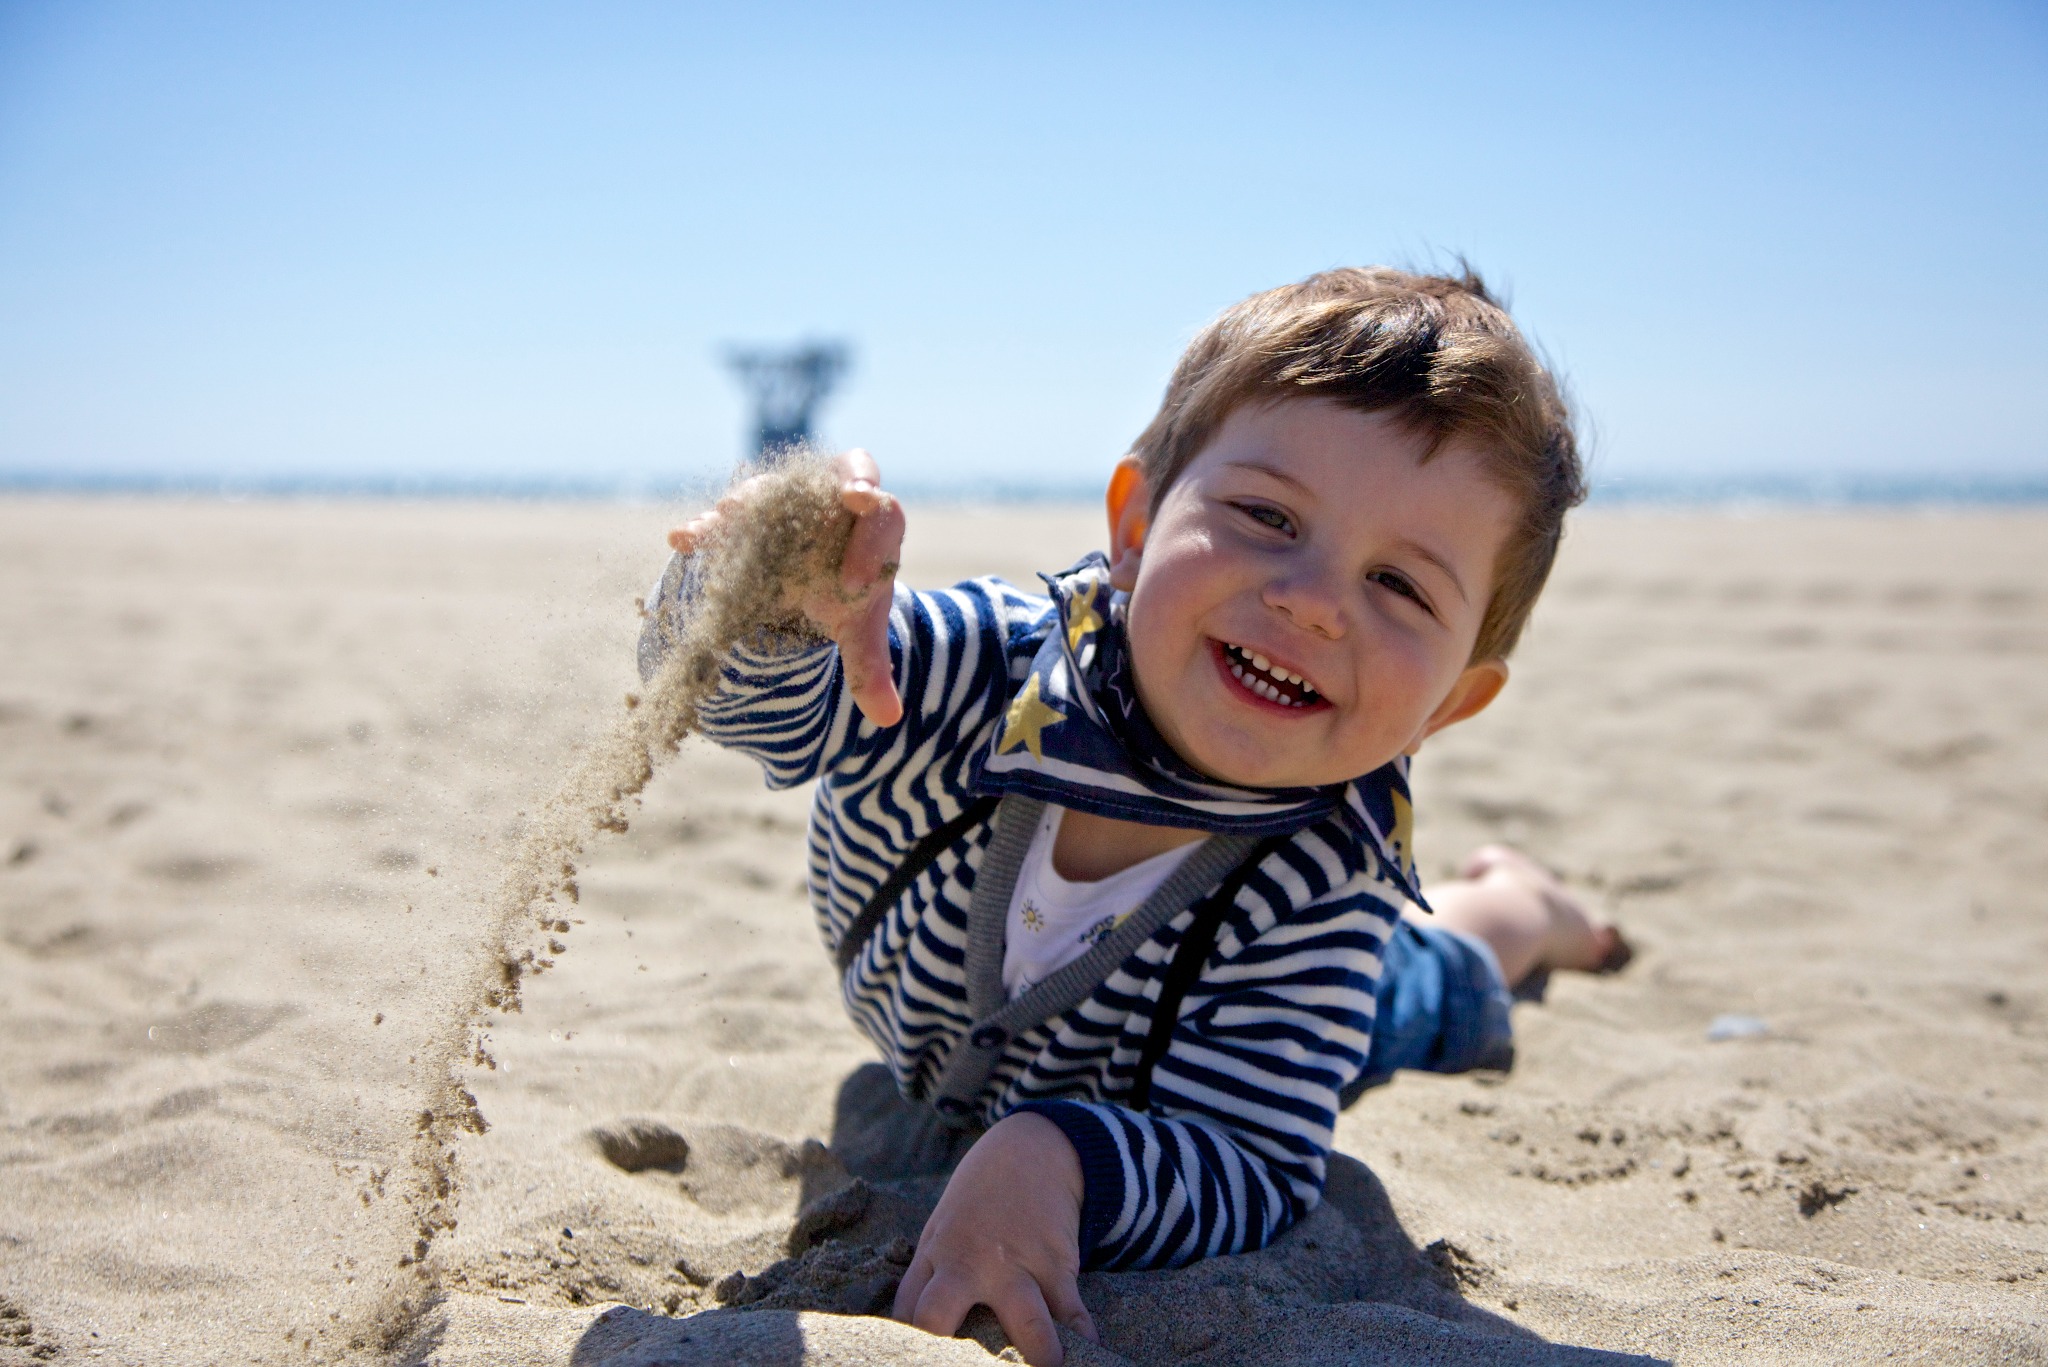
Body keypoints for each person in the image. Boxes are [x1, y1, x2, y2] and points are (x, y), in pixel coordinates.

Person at [641, 267, 1627, 1366]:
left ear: (1447, 703)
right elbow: (755, 710)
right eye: (1266, 515)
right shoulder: (977, 666)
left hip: (1248, 1030)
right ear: (1135, 523)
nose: (1311, 598)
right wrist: (766, 592)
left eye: (1399, 585)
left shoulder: (1320, 876)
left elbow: (1249, 1161)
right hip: (950, 1033)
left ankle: (1516, 910)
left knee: (1421, 982)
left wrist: (1056, 1154)